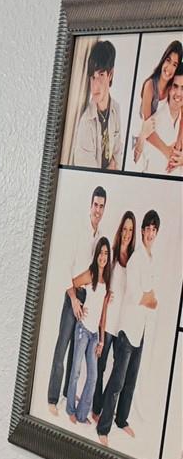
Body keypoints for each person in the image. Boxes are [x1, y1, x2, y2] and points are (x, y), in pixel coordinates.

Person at [98, 210, 162, 443]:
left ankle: (121, 419)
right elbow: (137, 295)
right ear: (142, 231)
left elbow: (153, 294)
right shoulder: (136, 260)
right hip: (127, 329)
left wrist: (150, 297)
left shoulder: (152, 259)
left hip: (141, 329)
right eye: (148, 229)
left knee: (131, 381)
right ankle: (103, 428)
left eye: (154, 230)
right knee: (117, 381)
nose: (150, 233)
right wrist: (150, 299)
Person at [47, 184, 106, 414]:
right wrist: (72, 299)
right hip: (73, 293)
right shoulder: (79, 230)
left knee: (76, 350)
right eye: (95, 205)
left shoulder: (100, 237)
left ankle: (66, 394)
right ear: (90, 205)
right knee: (62, 345)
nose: (98, 210)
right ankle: (52, 398)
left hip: (87, 297)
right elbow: (65, 266)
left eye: (101, 206)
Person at [66, 236, 112, 424]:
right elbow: (72, 284)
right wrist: (76, 301)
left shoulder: (107, 281)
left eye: (106, 253)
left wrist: (101, 340)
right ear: (96, 255)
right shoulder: (90, 274)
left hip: (94, 335)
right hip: (82, 330)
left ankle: (81, 414)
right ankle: (70, 409)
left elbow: (103, 314)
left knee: (93, 377)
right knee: (76, 371)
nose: (103, 256)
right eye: (100, 252)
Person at [66, 39, 122, 170]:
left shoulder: (116, 109)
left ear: (110, 75)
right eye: (93, 77)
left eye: (101, 75)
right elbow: (89, 174)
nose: (95, 85)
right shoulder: (86, 123)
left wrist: (114, 163)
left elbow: (118, 153)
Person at [130, 72, 183, 176]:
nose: (178, 93)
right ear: (169, 88)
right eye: (175, 86)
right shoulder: (152, 121)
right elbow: (133, 164)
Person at [134, 38, 181, 135]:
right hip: (141, 137)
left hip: (162, 137)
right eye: (168, 60)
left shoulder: (172, 88)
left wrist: (179, 139)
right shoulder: (150, 86)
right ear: (163, 60)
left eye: (174, 65)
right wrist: (169, 147)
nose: (169, 68)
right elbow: (147, 128)